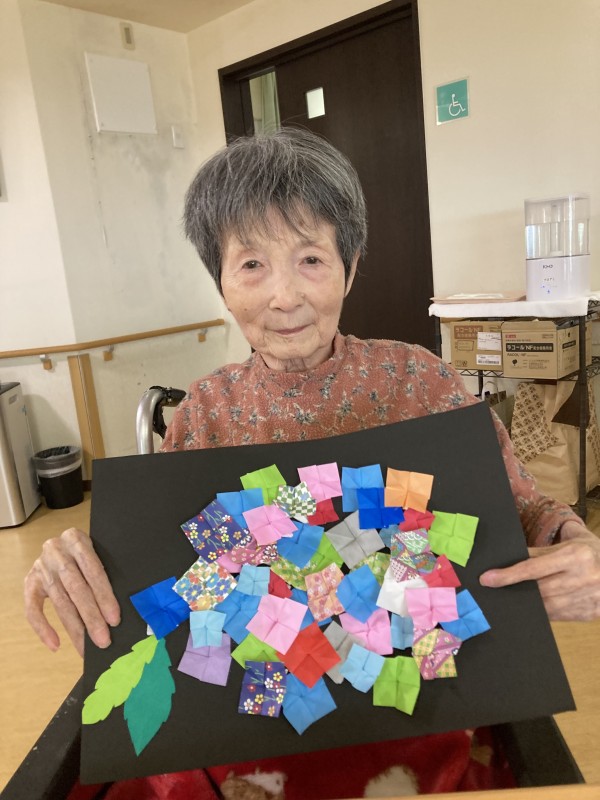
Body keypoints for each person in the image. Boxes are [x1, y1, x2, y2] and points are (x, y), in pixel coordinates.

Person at [24, 128, 600, 797]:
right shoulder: (205, 412)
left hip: (419, 698)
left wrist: (574, 542)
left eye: (310, 259)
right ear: (221, 283)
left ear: (349, 268)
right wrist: (79, 563)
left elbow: (526, 509)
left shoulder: (419, 381)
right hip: (254, 716)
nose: (284, 296)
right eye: (251, 264)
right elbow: (174, 577)